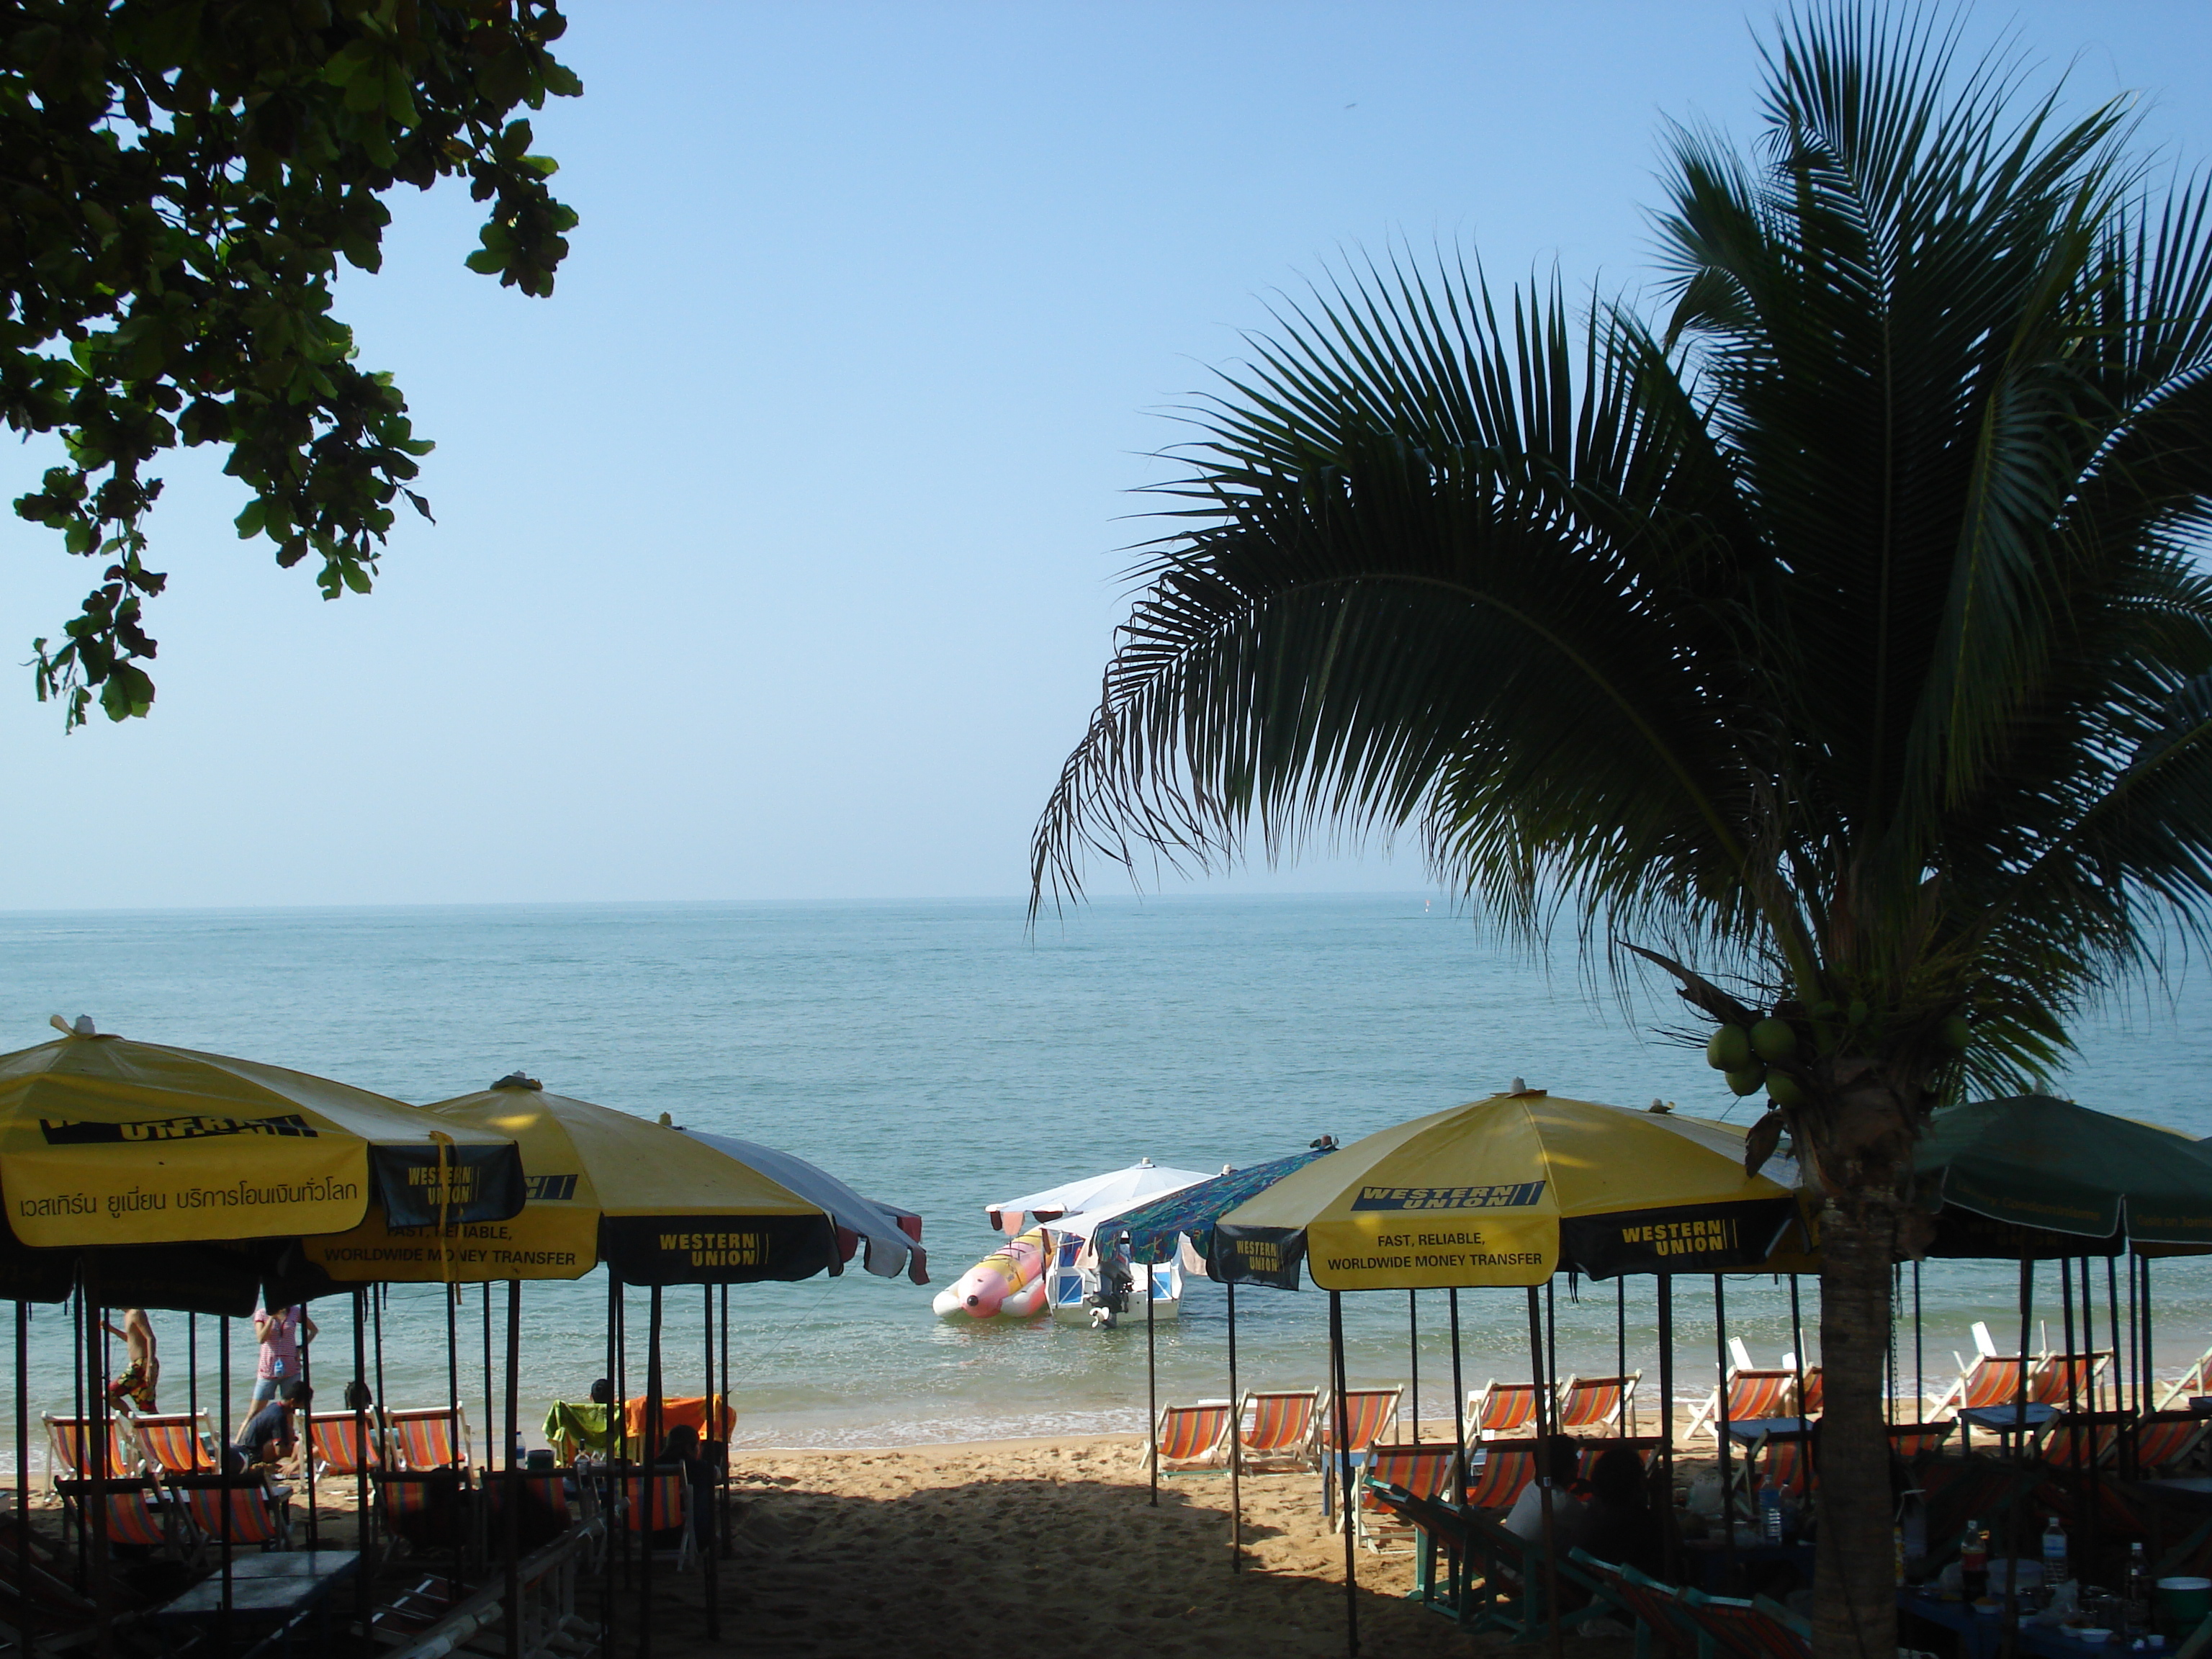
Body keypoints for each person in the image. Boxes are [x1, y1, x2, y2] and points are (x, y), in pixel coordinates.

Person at [1580, 1444, 1665, 1575]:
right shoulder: (1636, 1521)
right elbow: (1672, 1549)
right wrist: (1657, 1498)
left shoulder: (1593, 1514)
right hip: (1626, 1589)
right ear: (1636, 1484)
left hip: (1598, 1586)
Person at [1503, 1436, 1589, 1551]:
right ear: (1570, 1468)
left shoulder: (1532, 1488)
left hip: (1511, 1561)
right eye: (1576, 1459)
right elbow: (1593, 1525)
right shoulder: (1561, 1504)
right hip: (1532, 1567)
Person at [250, 1298, 317, 1406]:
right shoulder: (262, 1314)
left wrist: (301, 1348)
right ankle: (248, 1423)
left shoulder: (295, 1311)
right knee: (255, 1411)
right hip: (269, 1367)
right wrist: (272, 1318)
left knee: (292, 1407)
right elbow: (261, 1339)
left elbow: (313, 1330)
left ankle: (290, 1423)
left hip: (291, 1366)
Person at [231, 1385, 310, 1473]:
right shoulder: (278, 1417)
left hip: (248, 1449)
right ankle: (291, 1468)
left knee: (292, 1437)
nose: (303, 1408)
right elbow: (280, 1451)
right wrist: (301, 1450)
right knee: (298, 1446)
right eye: (303, 1405)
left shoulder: (275, 1407)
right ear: (293, 1401)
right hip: (254, 1456)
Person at [102, 1308, 158, 1413]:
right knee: (147, 1406)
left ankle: (133, 1423)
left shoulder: (136, 1312)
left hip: (142, 1364)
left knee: (109, 1394)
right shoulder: (128, 1315)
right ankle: (158, 1427)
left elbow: (150, 1338)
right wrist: (111, 1329)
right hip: (138, 1364)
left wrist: (150, 1365)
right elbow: (132, 1339)